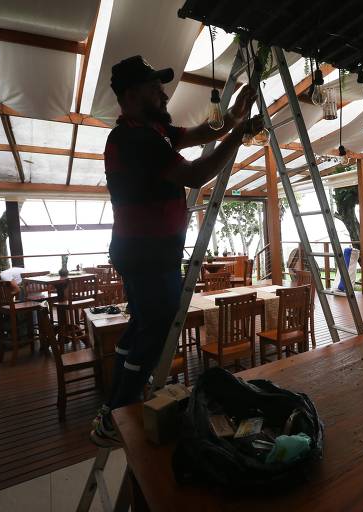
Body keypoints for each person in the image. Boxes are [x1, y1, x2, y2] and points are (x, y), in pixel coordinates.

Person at [91, 55, 262, 447]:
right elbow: (196, 174)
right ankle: (118, 411)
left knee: (142, 324)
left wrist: (235, 117)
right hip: (148, 254)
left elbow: (201, 133)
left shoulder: (152, 129)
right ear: (131, 95)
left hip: (143, 251)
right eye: (154, 87)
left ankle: (113, 406)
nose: (163, 93)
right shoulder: (135, 140)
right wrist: (239, 135)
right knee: (157, 325)